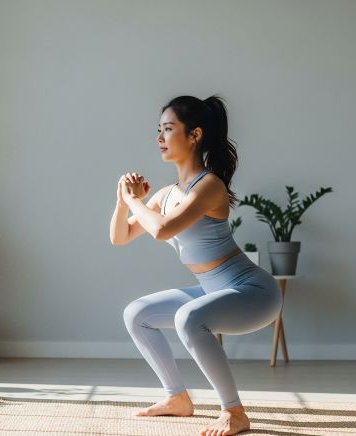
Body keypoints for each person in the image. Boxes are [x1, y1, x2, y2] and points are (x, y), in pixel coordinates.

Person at [109, 95, 282, 436]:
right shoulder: (166, 194)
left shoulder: (209, 186)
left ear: (194, 135)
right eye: (158, 130)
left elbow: (161, 230)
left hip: (254, 294)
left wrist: (135, 201)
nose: (159, 138)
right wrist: (122, 201)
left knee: (189, 317)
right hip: (212, 290)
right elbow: (120, 237)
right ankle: (177, 399)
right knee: (136, 313)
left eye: (168, 129)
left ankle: (234, 412)